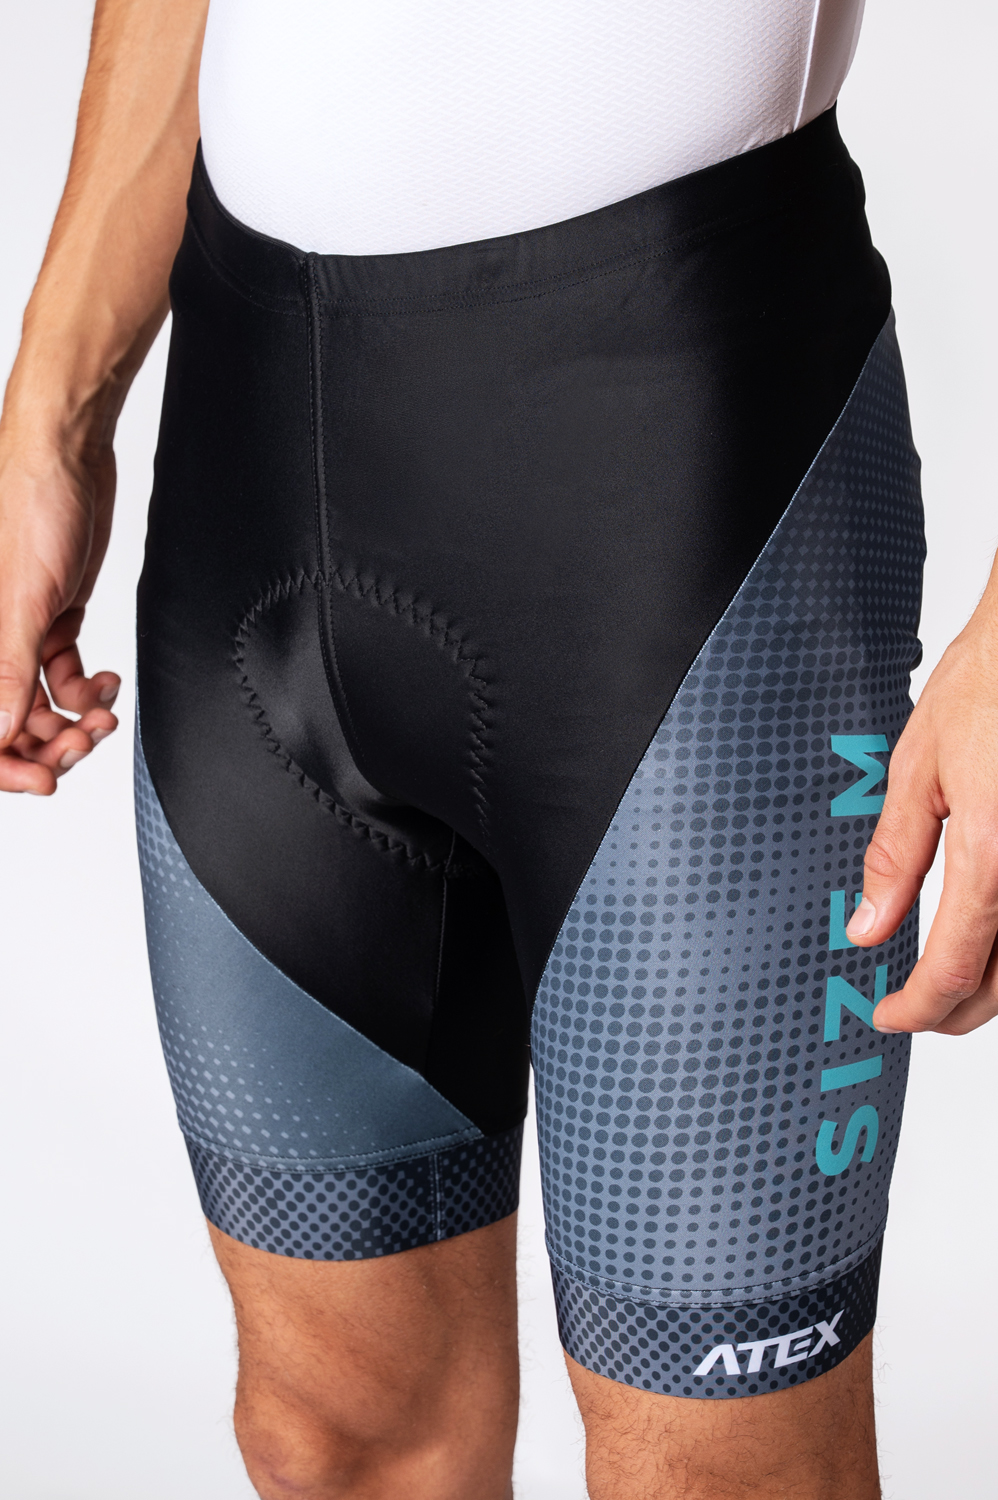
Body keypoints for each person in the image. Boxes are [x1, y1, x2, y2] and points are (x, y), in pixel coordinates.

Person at [1, 3, 996, 1497]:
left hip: (684, 477)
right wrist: (50, 415)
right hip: (249, 447)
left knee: (720, 1474)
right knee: (333, 1437)